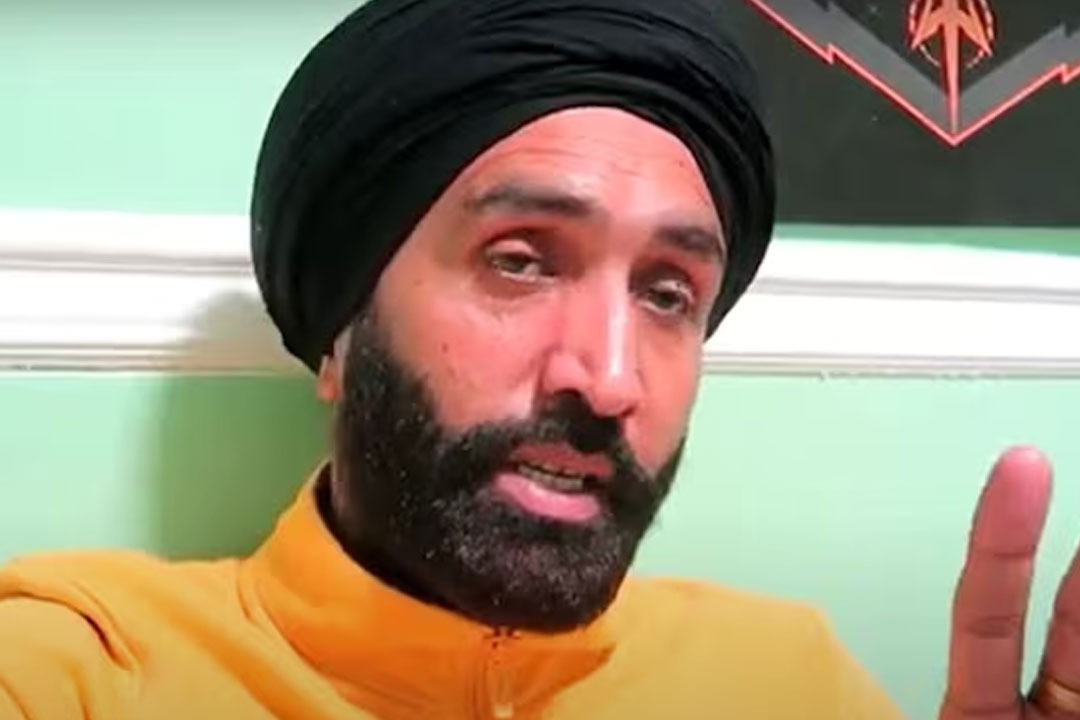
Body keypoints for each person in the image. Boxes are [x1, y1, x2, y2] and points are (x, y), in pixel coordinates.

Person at [0, 1, 1073, 719]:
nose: (607, 378)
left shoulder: (794, 684)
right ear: (340, 330)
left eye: (667, 294)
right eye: (518, 261)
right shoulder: (82, 675)